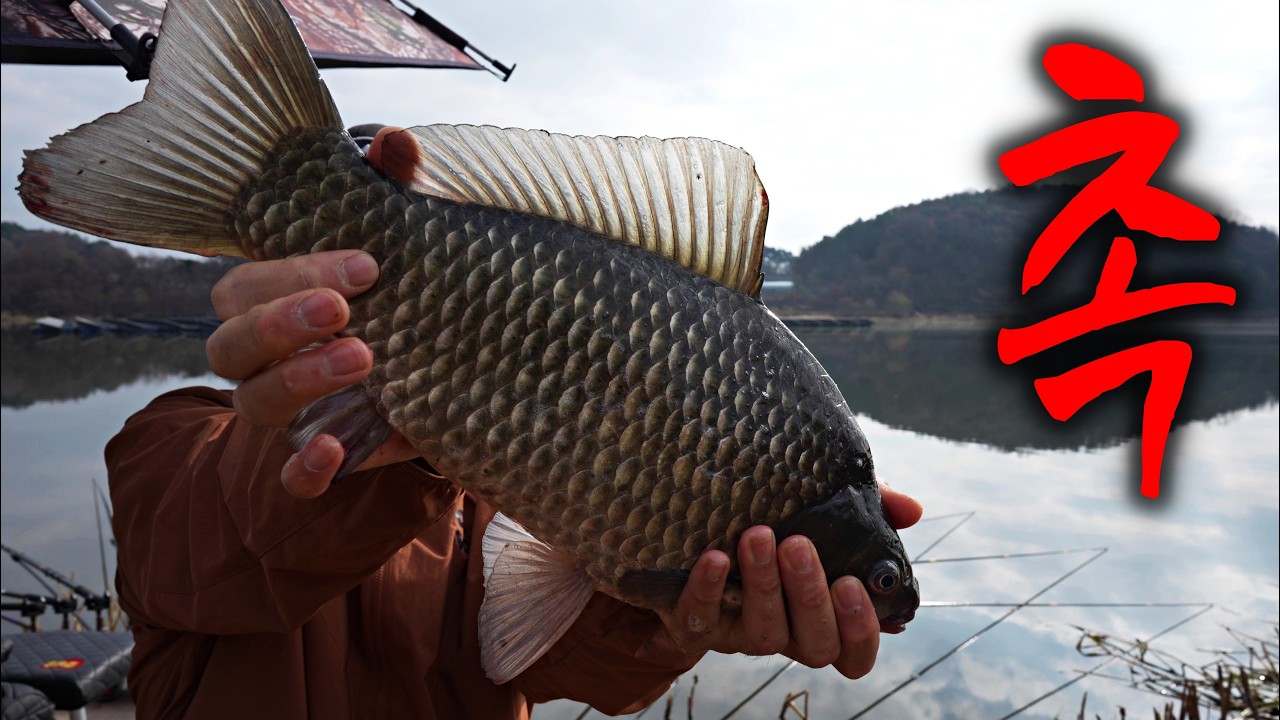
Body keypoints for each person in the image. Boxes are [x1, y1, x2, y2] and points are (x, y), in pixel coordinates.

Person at [106, 250, 923, 720]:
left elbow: (553, 662)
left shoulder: (525, 488)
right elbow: (227, 547)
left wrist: (682, 622)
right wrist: (409, 422)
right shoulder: (169, 438)